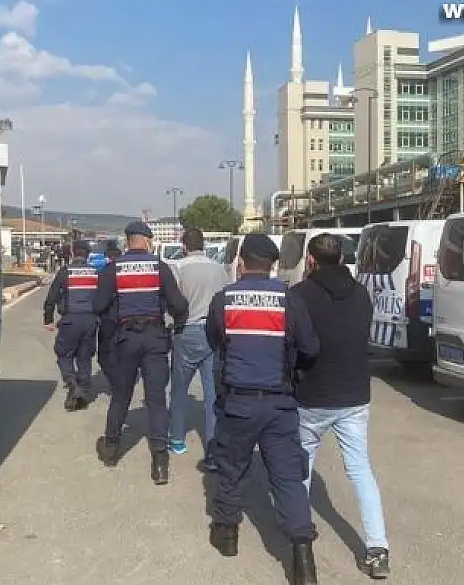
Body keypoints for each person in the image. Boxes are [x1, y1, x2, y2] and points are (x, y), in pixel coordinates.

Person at [205, 233, 321, 584]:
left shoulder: (224, 299)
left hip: (238, 400)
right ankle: (303, 557)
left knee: (232, 467)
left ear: (241, 262)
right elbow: (310, 348)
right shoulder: (289, 300)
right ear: (272, 265)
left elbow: (215, 340)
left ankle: (227, 536)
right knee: (288, 478)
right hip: (279, 402)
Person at [291, 233, 390, 579]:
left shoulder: (300, 296)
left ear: (311, 260)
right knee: (360, 468)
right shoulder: (361, 294)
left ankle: (297, 531)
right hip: (354, 394)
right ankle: (378, 548)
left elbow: (295, 345)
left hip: (312, 395)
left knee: (301, 464)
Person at [92, 221, 188, 485]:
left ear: (128, 240)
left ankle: (111, 449)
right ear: (146, 240)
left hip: (126, 339)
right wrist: (174, 321)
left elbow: (98, 305)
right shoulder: (160, 267)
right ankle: (159, 463)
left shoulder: (114, 269)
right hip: (155, 338)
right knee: (156, 399)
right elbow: (179, 305)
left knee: (121, 396)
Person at [167, 227, 228, 468]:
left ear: (184, 245)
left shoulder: (178, 268)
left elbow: (173, 302)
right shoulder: (219, 268)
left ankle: (177, 439)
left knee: (179, 388)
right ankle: (212, 447)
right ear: (203, 244)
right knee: (212, 392)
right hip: (213, 332)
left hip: (186, 331)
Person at [43, 240, 99, 411]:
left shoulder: (65, 272)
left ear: (74, 253)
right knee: (84, 357)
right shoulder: (96, 272)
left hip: (70, 320)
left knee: (64, 353)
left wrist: (48, 320)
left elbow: (52, 297)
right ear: (88, 255)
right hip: (90, 320)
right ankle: (83, 391)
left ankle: (72, 382)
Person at [97, 244, 122, 373]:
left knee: (105, 352)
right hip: (126, 316)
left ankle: (113, 378)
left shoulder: (105, 272)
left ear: (109, 258)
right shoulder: (126, 271)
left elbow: (101, 298)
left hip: (108, 318)